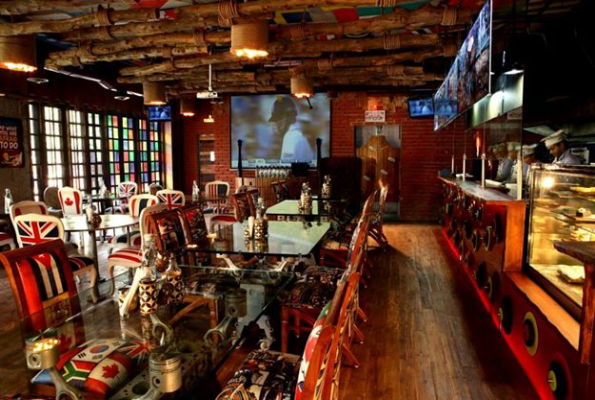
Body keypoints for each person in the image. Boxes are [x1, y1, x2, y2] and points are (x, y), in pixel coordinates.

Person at [269, 96, 314, 163]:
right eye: (275, 120)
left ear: (291, 116)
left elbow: (287, 168)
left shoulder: (290, 137)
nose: (276, 123)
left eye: (279, 118)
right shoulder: (296, 135)